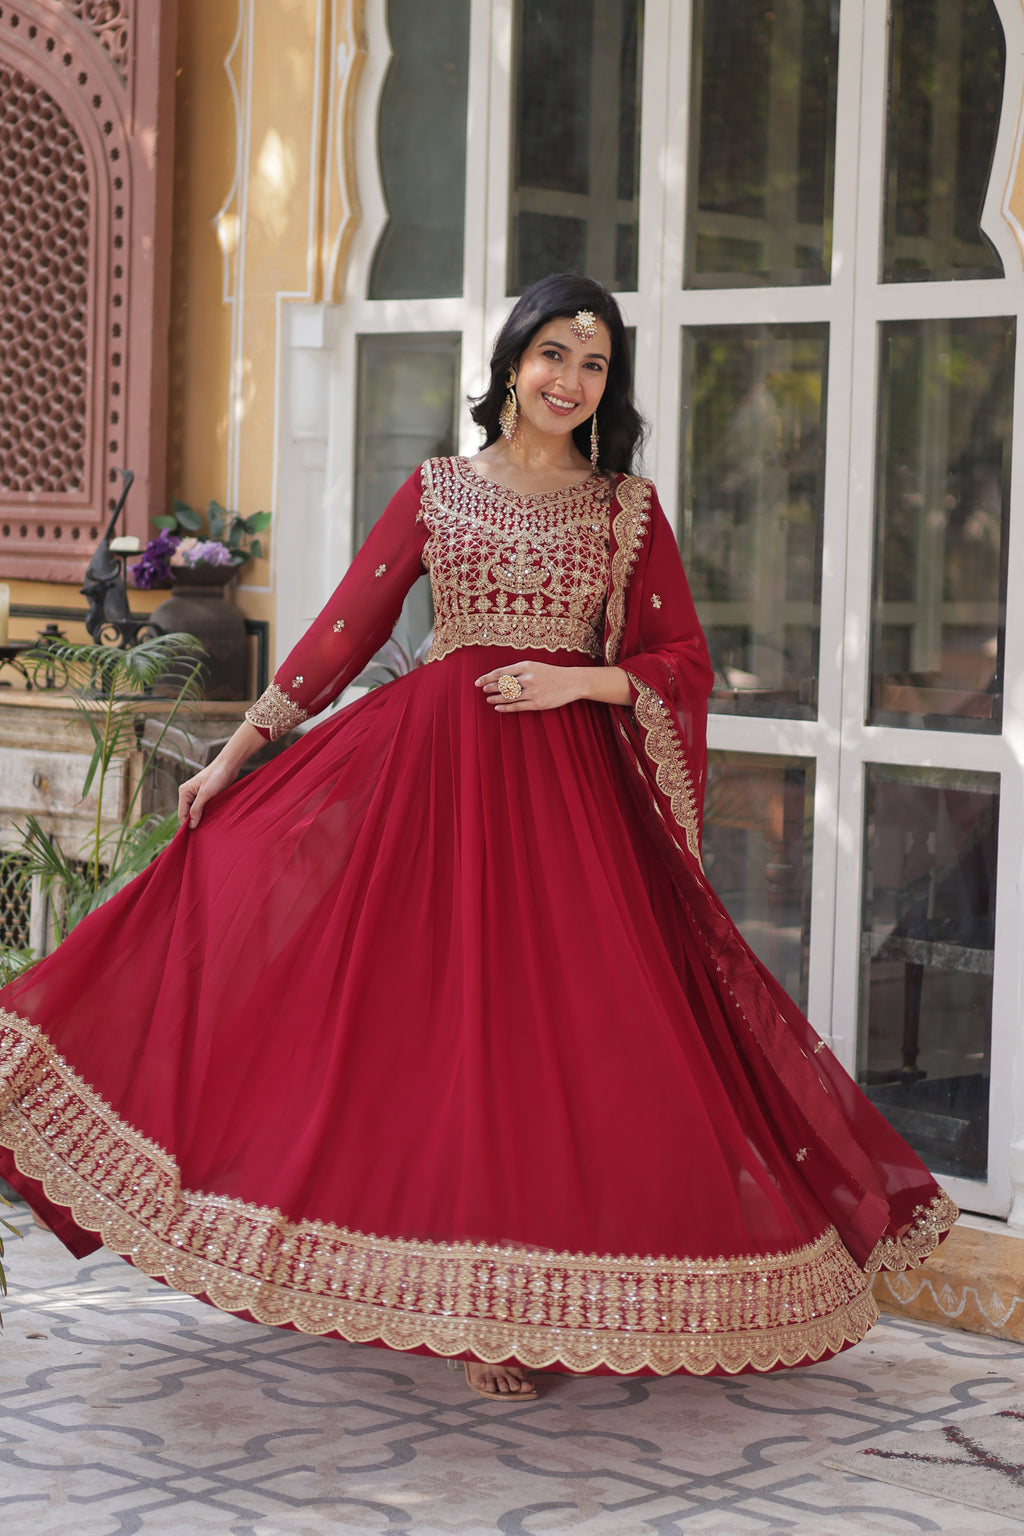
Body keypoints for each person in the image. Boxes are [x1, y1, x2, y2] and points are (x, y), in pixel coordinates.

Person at [0, 275, 956, 1401]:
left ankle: (519, 1309)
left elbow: (680, 664)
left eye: (594, 364)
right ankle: (442, 1295)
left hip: (567, 803)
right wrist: (235, 754)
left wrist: (575, 680)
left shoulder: (624, 510)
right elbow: (342, 632)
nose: (570, 379)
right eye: (553, 354)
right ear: (511, 363)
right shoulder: (438, 489)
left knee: (546, 1034)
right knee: (429, 1026)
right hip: (426, 783)